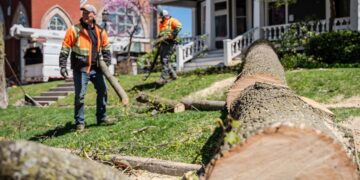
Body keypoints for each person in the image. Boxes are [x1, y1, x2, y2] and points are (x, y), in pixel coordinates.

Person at [59, 4, 112, 131]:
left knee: (103, 91)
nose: (85, 15)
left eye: (87, 13)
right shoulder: (74, 30)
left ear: (93, 15)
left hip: (96, 68)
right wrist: (62, 65)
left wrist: (106, 63)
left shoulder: (100, 31)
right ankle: (80, 122)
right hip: (81, 68)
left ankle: (101, 117)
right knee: (80, 95)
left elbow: (106, 49)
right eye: (83, 13)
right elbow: (65, 47)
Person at [156, 9, 182, 84]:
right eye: (162, 17)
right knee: (163, 60)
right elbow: (161, 33)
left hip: (171, 43)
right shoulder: (161, 23)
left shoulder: (172, 20)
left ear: (166, 16)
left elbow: (179, 26)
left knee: (165, 60)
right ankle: (173, 75)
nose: (162, 18)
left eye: (163, 17)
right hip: (163, 43)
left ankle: (163, 79)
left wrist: (173, 34)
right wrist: (158, 42)